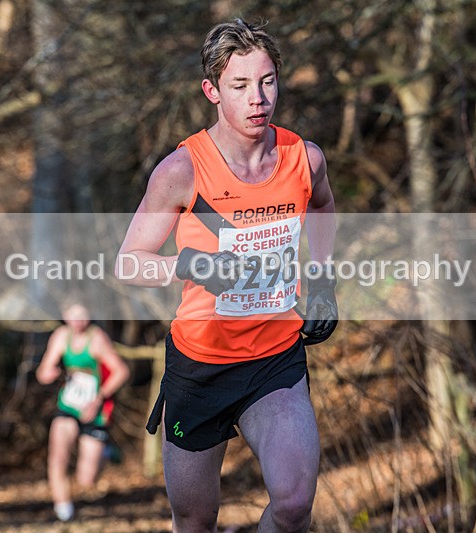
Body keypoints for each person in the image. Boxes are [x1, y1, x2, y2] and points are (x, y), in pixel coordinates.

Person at [115, 18, 338, 532]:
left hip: (275, 359)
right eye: (240, 86)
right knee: (195, 520)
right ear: (212, 91)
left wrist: (324, 282)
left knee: (294, 502)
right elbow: (128, 262)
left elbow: (323, 207)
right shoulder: (181, 171)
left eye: (267, 81)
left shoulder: (304, 159)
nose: (257, 98)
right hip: (201, 363)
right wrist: (189, 266)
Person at [36, 303, 131, 522]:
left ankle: (106, 453)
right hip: (68, 406)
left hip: (94, 410)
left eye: (83, 315)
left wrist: (98, 399)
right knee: (57, 457)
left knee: (87, 479)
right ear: (64, 316)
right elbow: (43, 371)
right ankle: (63, 510)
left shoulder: (97, 338)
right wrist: (48, 374)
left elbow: (121, 371)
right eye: (73, 315)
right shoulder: (60, 337)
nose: (78, 320)